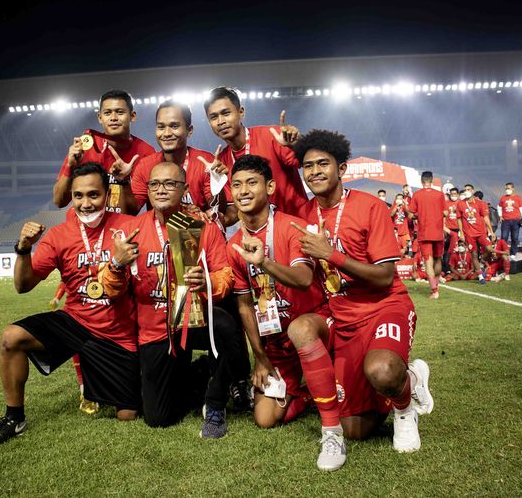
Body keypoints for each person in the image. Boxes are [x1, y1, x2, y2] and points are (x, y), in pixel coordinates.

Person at [0, 163, 141, 449]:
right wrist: (24, 248)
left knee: (127, 415)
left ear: (107, 194)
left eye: (94, 195)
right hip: (75, 323)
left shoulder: (127, 227)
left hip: (117, 331)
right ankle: (13, 418)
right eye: (78, 196)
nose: (86, 203)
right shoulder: (58, 235)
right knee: (10, 337)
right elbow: (23, 285)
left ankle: (104, 384)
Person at [293, 129, 434, 453]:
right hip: (342, 315)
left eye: (322, 163)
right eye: (308, 165)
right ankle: (407, 380)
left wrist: (332, 254)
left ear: (341, 168)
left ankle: (403, 408)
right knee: (355, 430)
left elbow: (385, 276)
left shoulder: (370, 207)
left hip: (384, 305)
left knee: (382, 370)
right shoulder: (303, 215)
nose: (314, 171)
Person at [226, 154, 345, 471]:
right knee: (265, 419)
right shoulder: (234, 245)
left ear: (270, 186)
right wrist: (260, 356)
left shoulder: (292, 227)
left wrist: (264, 262)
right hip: (277, 341)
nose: (243, 191)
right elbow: (244, 304)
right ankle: (308, 394)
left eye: (251, 183)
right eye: (236, 185)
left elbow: (305, 280)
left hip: (316, 324)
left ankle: (332, 416)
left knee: (302, 331)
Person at [120, 161, 241, 438]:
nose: (161, 190)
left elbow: (225, 274)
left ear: (184, 188)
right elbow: (116, 290)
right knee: (159, 418)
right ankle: (198, 373)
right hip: (155, 330)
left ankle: (215, 403)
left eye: (170, 184)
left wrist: (207, 283)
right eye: (154, 184)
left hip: (193, 317)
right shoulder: (133, 229)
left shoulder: (201, 226)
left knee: (224, 325)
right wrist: (117, 265)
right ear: (148, 189)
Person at [127, 100, 237, 227]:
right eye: (161, 127)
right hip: (160, 236)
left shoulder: (205, 162)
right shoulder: (146, 165)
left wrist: (216, 185)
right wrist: (123, 181)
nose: (167, 133)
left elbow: (219, 210)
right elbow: (131, 211)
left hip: (198, 233)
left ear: (189, 130)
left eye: (174, 126)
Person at [202, 86, 308, 215]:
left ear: (241, 112)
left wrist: (296, 145)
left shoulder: (272, 137)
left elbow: (307, 163)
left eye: (226, 113)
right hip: (261, 232)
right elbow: (234, 211)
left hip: (298, 224)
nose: (220, 121)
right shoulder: (222, 162)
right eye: (213, 117)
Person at [53, 90, 155, 211]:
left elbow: (132, 211)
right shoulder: (85, 148)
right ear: (100, 118)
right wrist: (71, 166)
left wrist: (123, 181)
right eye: (107, 113)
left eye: (120, 112)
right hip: (83, 226)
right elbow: (59, 201)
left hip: (120, 227)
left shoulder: (146, 153)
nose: (113, 118)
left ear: (132, 116)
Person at [49, 281, 99, 415]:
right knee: (78, 348)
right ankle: (85, 392)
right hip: (77, 312)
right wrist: (57, 297)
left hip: (101, 311)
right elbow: (66, 280)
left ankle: (100, 390)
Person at [407, 171, 446, 299]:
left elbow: (411, 215)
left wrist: (419, 214)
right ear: (432, 180)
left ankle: (434, 291)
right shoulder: (440, 195)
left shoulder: (417, 195)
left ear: (421, 181)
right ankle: (437, 285)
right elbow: (445, 212)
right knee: (438, 259)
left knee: (428, 262)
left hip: (425, 233)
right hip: (438, 232)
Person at [456, 186, 495, 284]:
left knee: (489, 249)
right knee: (474, 254)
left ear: (473, 191)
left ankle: (482, 262)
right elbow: (459, 218)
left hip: (481, 232)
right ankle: (481, 276)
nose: (467, 191)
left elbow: (486, 218)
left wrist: (491, 231)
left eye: (469, 190)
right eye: (465, 190)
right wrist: (461, 232)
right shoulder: (460, 204)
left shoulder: (481, 203)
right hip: (469, 233)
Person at [498, 183, 522, 260]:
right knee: (504, 238)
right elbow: (499, 207)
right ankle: (503, 253)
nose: (507, 190)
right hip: (505, 221)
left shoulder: (518, 198)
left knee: (515, 238)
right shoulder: (503, 198)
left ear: (513, 188)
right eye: (506, 189)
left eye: (508, 188)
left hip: (516, 221)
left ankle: (513, 254)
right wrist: (500, 216)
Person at [443, 187, 461, 274]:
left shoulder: (461, 203)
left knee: (457, 249)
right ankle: (446, 268)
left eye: (454, 194)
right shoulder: (446, 203)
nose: (453, 196)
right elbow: (444, 217)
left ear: (457, 194)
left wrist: (462, 230)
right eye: (451, 194)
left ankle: (457, 267)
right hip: (448, 229)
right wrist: (444, 229)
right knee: (447, 248)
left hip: (458, 229)